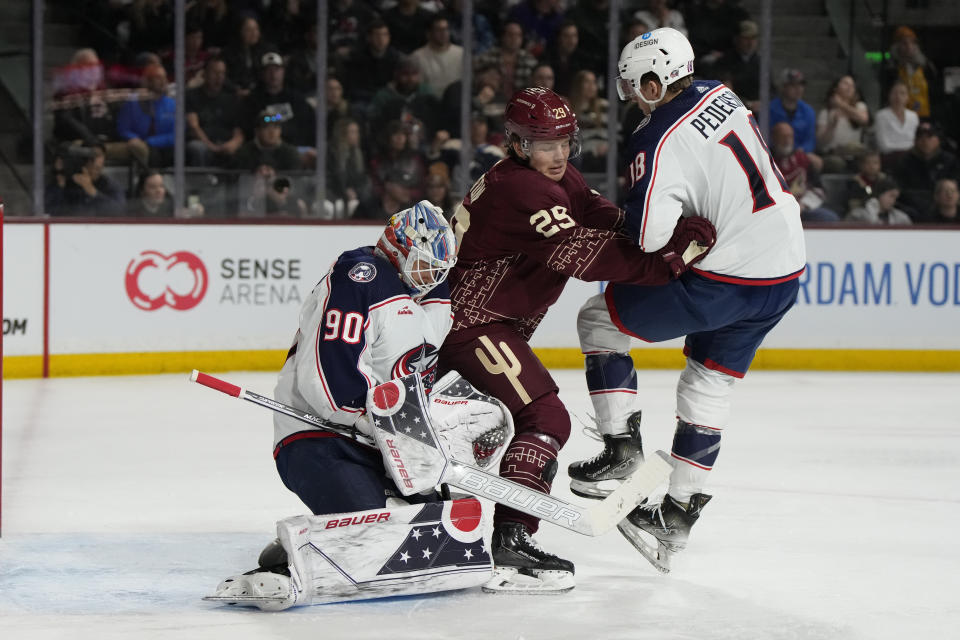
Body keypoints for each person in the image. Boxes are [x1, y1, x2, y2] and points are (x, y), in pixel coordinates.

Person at [436, 86, 717, 594]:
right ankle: (511, 539)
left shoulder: (555, 178)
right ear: (517, 144)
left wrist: (656, 231)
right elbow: (582, 256)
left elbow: (605, 220)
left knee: (482, 429)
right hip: (472, 327)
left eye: (565, 140)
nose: (559, 153)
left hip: (478, 324)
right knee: (544, 417)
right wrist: (667, 260)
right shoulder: (525, 190)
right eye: (545, 144)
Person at [567, 28, 805, 573]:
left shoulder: (656, 136)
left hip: (726, 277)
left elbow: (650, 237)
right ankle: (676, 514)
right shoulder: (721, 91)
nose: (629, 98)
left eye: (633, 87)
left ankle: (620, 449)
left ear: (654, 82)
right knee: (709, 381)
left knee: (599, 321)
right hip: (783, 271)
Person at [208, 202, 516, 608]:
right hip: (319, 438)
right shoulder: (360, 277)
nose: (433, 277)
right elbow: (326, 378)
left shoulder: (430, 289)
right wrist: (389, 430)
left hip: (384, 444)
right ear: (397, 248)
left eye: (440, 269)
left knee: (439, 531)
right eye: (425, 265)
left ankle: (315, 538)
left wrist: (423, 436)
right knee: (380, 532)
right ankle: (288, 565)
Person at [185, 56, 244, 167]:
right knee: (197, 148)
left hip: (225, 142)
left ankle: (232, 184)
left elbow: (238, 130)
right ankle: (201, 182)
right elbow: (194, 126)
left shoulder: (231, 99)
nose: (219, 77)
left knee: (242, 151)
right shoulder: (192, 96)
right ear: (204, 74)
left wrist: (234, 144)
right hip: (203, 142)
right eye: (215, 72)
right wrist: (211, 147)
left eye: (222, 73)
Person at [116, 63, 176, 168]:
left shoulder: (173, 104)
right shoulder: (132, 102)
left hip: (165, 147)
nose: (163, 81)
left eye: (164, 77)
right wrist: (135, 139)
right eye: (158, 78)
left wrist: (150, 141)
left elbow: (176, 135)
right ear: (147, 81)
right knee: (149, 152)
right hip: (141, 147)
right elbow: (123, 129)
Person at [816, 75, 870, 173]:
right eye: (845, 83)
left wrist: (840, 104)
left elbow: (863, 119)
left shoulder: (860, 106)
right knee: (838, 164)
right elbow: (821, 143)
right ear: (836, 88)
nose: (849, 87)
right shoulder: (826, 112)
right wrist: (832, 126)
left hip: (854, 154)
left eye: (852, 85)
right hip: (834, 154)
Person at [769, 68, 818, 157]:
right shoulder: (770, 108)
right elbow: (766, 136)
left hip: (800, 154)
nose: (798, 89)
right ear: (784, 87)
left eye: (801, 85)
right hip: (775, 153)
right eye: (793, 85)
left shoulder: (808, 111)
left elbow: (810, 140)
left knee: (816, 162)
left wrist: (801, 150)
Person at [873, 80, 919, 170]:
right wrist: (906, 149)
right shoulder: (881, 115)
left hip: (911, 157)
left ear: (908, 97)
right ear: (889, 95)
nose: (898, 97)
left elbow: (915, 142)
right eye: (895, 93)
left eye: (902, 93)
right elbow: (883, 146)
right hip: (890, 157)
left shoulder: (913, 116)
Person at [846, 177, 912, 225]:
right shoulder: (858, 215)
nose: (893, 200)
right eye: (891, 196)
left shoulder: (901, 218)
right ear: (880, 194)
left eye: (895, 197)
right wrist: (872, 214)